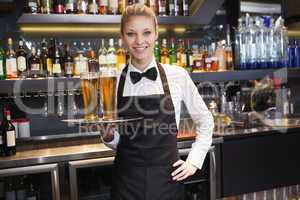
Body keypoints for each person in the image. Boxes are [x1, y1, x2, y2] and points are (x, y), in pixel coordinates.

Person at [100, 4, 214, 200]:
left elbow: (206, 121)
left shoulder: (177, 75)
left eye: (146, 33)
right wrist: (109, 138)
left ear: (156, 34)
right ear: (122, 38)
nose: (139, 41)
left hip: (167, 182)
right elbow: (123, 143)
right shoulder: (113, 80)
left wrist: (194, 161)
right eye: (131, 34)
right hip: (126, 183)